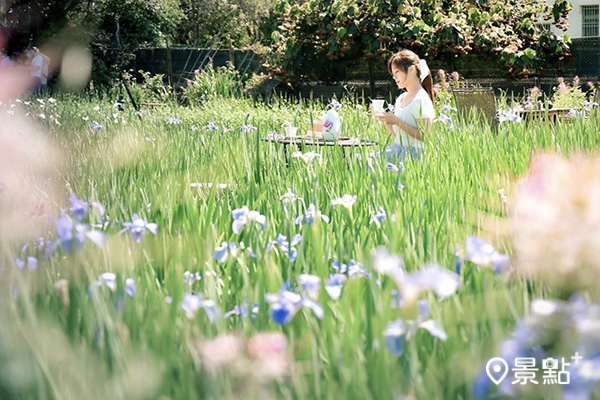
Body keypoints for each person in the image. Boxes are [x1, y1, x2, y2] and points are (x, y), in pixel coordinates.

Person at [372, 49, 435, 161]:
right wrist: (387, 121)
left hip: (413, 155)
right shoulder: (401, 98)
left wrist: (396, 121)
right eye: (393, 74)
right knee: (364, 161)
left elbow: (425, 136)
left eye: (397, 72)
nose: (394, 77)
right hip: (398, 149)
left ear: (411, 70)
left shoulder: (421, 99)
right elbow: (399, 136)